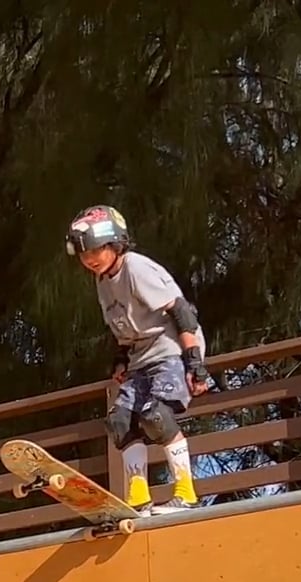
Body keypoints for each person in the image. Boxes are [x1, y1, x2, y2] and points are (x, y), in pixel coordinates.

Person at [66, 204, 211, 512]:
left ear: (115, 243)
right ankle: (138, 498)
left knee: (155, 415)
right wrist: (120, 359)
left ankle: (186, 493)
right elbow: (123, 326)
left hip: (171, 349)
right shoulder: (103, 280)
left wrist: (195, 363)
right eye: (83, 254)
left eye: (95, 250)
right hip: (141, 356)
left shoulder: (136, 267)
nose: (89, 259)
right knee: (120, 421)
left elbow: (181, 312)